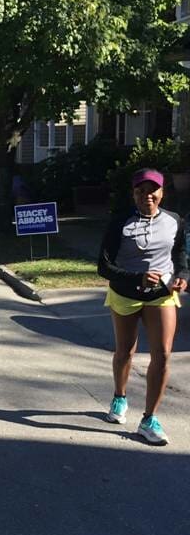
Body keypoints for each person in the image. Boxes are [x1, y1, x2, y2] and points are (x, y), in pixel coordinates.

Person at [97, 168, 188, 445]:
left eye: (153, 191)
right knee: (125, 350)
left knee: (162, 354)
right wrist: (136, 277)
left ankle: (149, 419)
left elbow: (179, 253)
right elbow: (104, 266)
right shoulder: (120, 222)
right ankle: (120, 397)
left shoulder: (174, 221)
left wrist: (183, 275)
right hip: (125, 293)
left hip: (161, 293)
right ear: (133, 193)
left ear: (162, 193)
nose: (147, 195)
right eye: (141, 191)